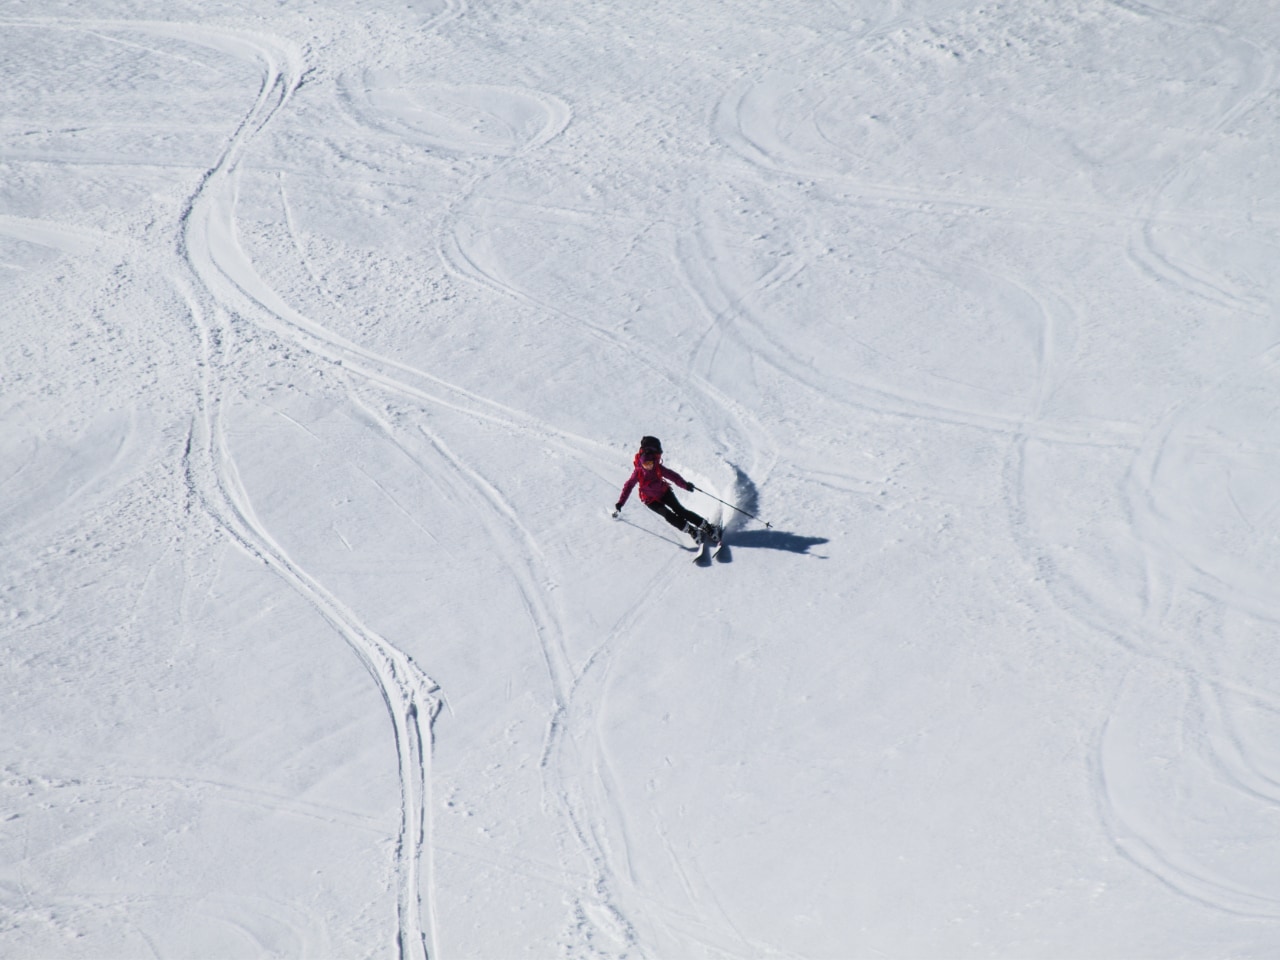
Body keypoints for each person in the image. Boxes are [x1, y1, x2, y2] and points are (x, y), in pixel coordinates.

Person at [613, 436, 716, 543]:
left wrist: (685, 485)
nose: (648, 466)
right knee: (668, 516)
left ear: (653, 461)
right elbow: (628, 486)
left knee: (680, 511)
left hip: (664, 492)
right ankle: (691, 531)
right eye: (645, 464)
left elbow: (673, 476)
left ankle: (707, 526)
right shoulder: (638, 473)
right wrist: (621, 502)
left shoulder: (658, 468)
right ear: (641, 463)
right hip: (650, 501)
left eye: (650, 463)